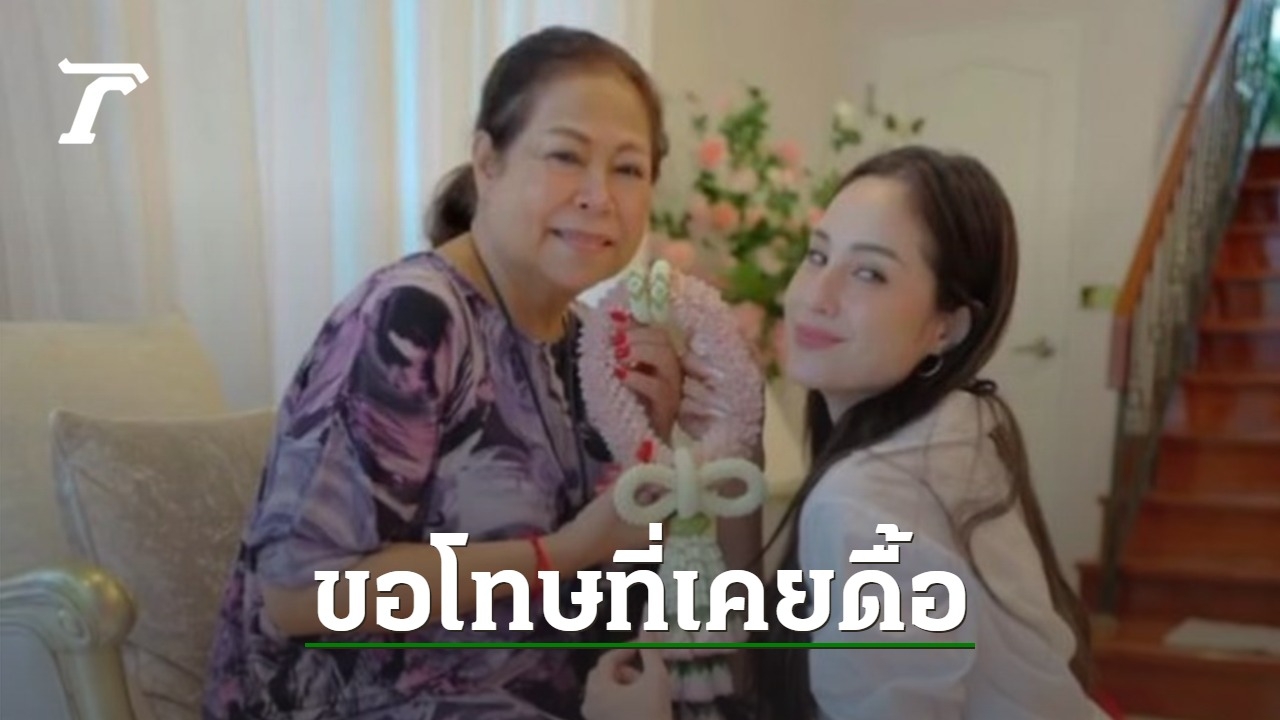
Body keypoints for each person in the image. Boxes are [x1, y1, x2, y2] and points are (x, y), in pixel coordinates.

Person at [202, 26, 726, 720]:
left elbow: (613, 596)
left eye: (628, 169)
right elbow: (302, 597)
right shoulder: (412, 318)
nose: (599, 195)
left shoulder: (594, 345)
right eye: (566, 156)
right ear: (488, 162)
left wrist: (652, 452)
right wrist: (560, 553)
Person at [581, 145, 1112, 719]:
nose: (817, 296)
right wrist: (743, 465)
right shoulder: (958, 427)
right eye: (817, 255)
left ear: (947, 327)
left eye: (869, 273)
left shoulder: (866, 500)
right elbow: (783, 667)